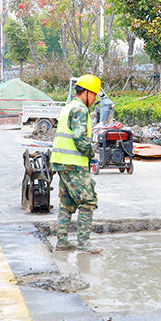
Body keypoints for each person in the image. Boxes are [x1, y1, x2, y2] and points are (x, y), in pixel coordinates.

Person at [50, 74, 102, 254]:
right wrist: (92, 154)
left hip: (61, 163)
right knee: (88, 201)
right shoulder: (80, 109)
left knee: (67, 202)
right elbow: (80, 139)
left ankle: (62, 241)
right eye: (94, 95)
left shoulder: (68, 107)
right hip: (74, 164)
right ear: (86, 93)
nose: (95, 99)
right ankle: (84, 242)